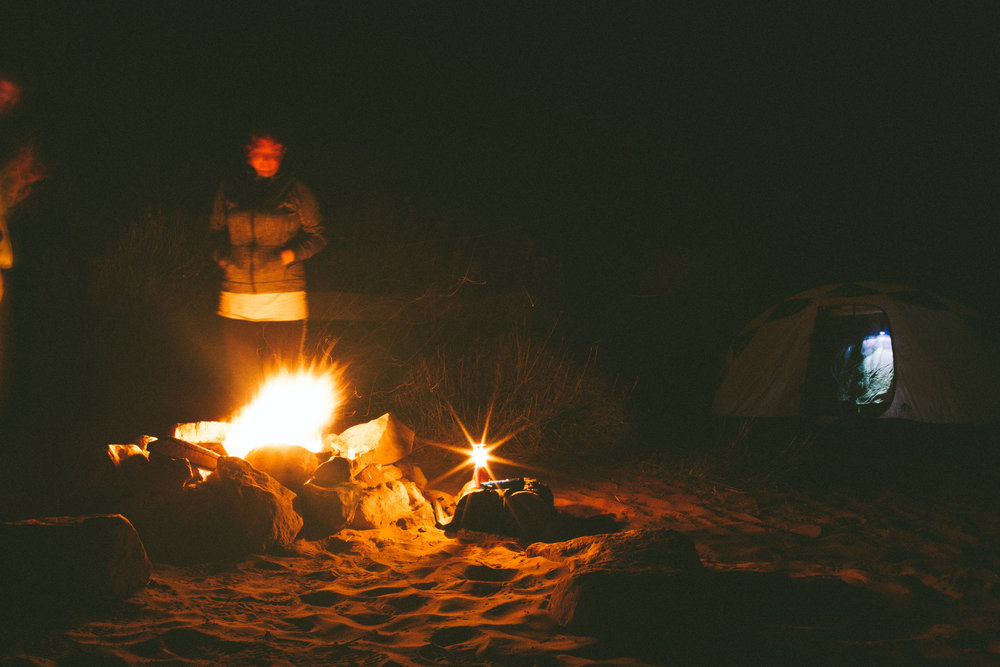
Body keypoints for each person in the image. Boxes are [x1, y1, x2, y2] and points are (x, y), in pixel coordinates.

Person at [210, 130, 327, 410]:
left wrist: (291, 254)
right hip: (237, 297)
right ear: (248, 153)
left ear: (281, 155)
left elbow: (318, 235)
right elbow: (215, 231)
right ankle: (247, 446)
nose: (267, 160)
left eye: (273, 154)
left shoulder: (296, 190)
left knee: (285, 379)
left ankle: (287, 445)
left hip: (284, 296)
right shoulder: (231, 188)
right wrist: (223, 257)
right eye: (260, 153)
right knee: (242, 381)